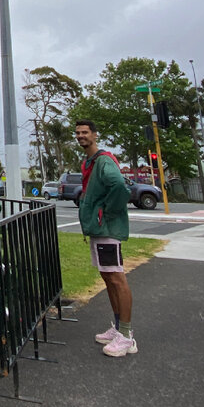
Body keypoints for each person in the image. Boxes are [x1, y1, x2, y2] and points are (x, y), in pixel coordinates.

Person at [74, 119, 136, 357]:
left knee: (117, 278)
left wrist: (106, 212)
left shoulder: (103, 161)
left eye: (85, 132)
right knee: (107, 277)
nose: (81, 136)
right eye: (78, 133)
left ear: (95, 135)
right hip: (99, 230)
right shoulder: (88, 162)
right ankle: (119, 328)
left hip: (107, 229)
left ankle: (128, 336)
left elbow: (119, 187)